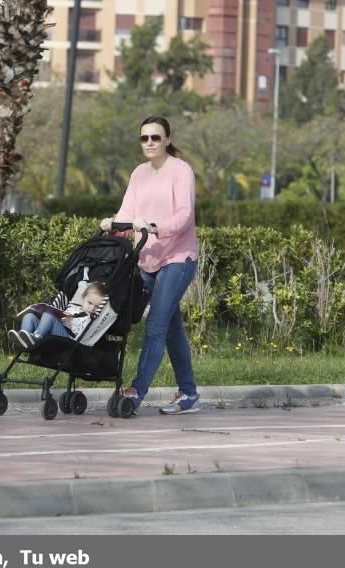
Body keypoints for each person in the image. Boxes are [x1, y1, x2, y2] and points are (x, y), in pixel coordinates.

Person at [100, 116, 200, 415]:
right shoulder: (138, 174)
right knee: (171, 330)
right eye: (144, 138)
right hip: (148, 259)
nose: (150, 143)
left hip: (178, 258)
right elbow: (127, 210)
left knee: (155, 326)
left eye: (156, 138)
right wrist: (113, 225)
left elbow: (184, 216)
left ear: (168, 139)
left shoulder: (181, 171)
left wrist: (155, 227)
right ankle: (189, 393)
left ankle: (136, 390)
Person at [8, 282, 106, 350]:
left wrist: (70, 321)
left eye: (97, 307)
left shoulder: (91, 320)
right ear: (83, 298)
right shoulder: (73, 308)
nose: (92, 308)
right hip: (54, 330)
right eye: (89, 303)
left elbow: (82, 333)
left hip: (68, 340)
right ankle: (25, 336)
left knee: (48, 316)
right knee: (29, 316)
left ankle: (35, 338)